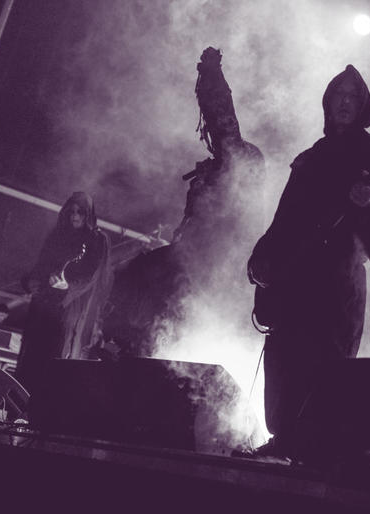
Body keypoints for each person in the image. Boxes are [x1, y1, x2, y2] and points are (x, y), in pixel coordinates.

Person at [247, 64, 370, 456]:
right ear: (327, 102)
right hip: (295, 279)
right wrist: (262, 257)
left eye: (352, 96)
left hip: (338, 280)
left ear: (363, 105)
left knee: (327, 361)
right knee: (285, 357)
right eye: (339, 94)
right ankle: (283, 439)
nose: (344, 102)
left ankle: (317, 448)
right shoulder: (310, 157)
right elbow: (285, 218)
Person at [101, 48, 264, 357]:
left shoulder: (239, 165)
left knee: (160, 290)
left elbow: (224, 125)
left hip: (209, 263)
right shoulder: (216, 171)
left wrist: (213, 80)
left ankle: (145, 347)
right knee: (139, 275)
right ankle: (123, 342)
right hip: (190, 253)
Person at [16, 192, 110, 386]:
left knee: (56, 353)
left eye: (80, 212)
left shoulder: (97, 240)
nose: (74, 216)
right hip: (43, 303)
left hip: (69, 306)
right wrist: (34, 282)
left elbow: (92, 275)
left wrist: (69, 285)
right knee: (31, 354)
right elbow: (40, 265)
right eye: (71, 211)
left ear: (88, 215)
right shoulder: (56, 236)